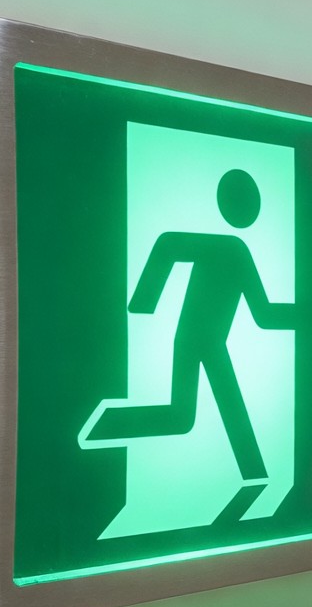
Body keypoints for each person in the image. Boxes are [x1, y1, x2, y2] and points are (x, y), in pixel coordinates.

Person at [84, 168, 294, 480]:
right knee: (184, 416)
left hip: (213, 344)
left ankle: (254, 474)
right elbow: (168, 245)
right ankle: (104, 427)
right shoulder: (230, 248)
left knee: (183, 416)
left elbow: (263, 314)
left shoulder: (238, 252)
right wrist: (144, 300)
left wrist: (310, 315)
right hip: (192, 339)